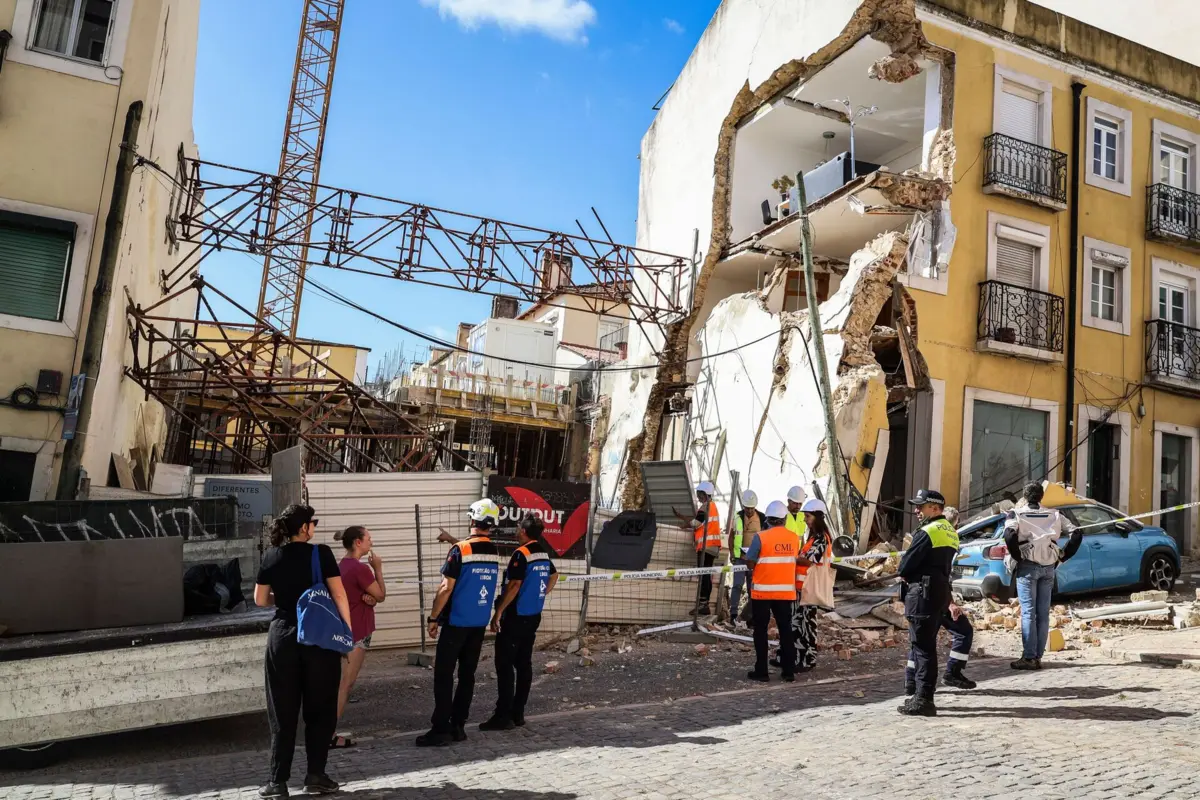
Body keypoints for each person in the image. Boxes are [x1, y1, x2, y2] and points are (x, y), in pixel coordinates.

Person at [254, 504, 351, 798]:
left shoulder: (271, 555)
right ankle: (316, 775)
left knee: (282, 712)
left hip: (282, 635)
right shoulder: (320, 554)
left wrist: (287, 597)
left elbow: (260, 600)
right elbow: (338, 594)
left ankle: (277, 782)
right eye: (313, 523)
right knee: (320, 709)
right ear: (304, 528)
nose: (315, 527)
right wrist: (346, 634)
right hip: (319, 639)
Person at [417, 499, 503, 747]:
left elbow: (446, 587)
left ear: (473, 520)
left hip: (456, 622)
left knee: (444, 675)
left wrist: (433, 618)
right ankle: (458, 726)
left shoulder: (461, 550)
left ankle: (440, 728)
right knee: (467, 675)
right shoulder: (493, 550)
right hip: (478, 623)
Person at [480, 515, 559, 731]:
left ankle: (503, 716)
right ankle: (518, 713)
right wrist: (539, 594)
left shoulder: (521, 554)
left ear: (523, 531)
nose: (515, 531)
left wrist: (498, 613)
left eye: (517, 528)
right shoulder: (542, 553)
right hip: (533, 615)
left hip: (516, 616)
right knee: (524, 664)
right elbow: (554, 576)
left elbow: (514, 585)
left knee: (505, 665)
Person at [1004, 482, 1083, 670]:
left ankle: (1029, 656)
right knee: (1042, 613)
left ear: (1024, 495)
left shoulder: (1016, 513)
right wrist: (1063, 556)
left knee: (1029, 612)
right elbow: (1077, 533)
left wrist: (1017, 556)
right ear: (1041, 497)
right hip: (1049, 566)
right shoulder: (1055, 514)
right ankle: (1037, 656)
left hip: (1028, 566)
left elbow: (1008, 535)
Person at [902, 505, 977, 694]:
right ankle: (947, 675)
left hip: (929, 595)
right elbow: (942, 574)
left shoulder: (933, 534)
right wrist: (951, 603)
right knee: (929, 641)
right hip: (936, 597)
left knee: (920, 641)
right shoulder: (946, 537)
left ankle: (913, 683)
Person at [896, 489, 958, 717]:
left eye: (920, 507)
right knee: (927, 646)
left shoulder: (928, 531)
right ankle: (922, 694)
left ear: (934, 508)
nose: (916, 511)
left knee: (922, 648)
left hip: (922, 593)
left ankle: (924, 698)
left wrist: (904, 572)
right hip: (939, 592)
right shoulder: (950, 530)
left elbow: (905, 566)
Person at [331, 525, 387, 749]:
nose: (371, 542)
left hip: (343, 629)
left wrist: (368, 598)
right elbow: (381, 595)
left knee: (339, 682)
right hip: (357, 631)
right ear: (357, 542)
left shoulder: (341, 566)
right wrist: (378, 569)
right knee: (345, 684)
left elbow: (364, 596)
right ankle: (328, 733)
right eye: (368, 539)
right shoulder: (360, 569)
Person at [743, 500, 798, 683]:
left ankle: (762, 671)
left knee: (760, 631)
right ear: (783, 519)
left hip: (762, 593)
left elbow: (750, 562)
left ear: (768, 519)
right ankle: (789, 671)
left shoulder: (761, 537)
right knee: (786, 630)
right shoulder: (793, 538)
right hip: (785, 593)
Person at [777, 497, 833, 673]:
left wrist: (791, 558)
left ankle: (808, 659)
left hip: (809, 589)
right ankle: (792, 657)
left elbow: (809, 561)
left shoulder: (821, 538)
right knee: (797, 624)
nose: (805, 520)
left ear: (817, 517)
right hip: (802, 588)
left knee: (806, 625)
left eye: (808, 517)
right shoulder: (813, 538)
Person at [673, 481, 723, 615]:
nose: (698, 497)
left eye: (700, 494)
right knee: (707, 574)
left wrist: (683, 525)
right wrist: (682, 517)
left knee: (704, 575)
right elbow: (700, 522)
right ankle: (704, 604)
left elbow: (696, 523)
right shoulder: (713, 507)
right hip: (712, 547)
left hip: (706, 547)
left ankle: (702, 605)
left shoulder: (705, 507)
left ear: (706, 495)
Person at [729, 489, 766, 625]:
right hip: (740, 557)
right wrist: (732, 553)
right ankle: (733, 614)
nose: (749, 511)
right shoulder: (738, 517)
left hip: (754, 559)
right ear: (743, 506)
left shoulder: (762, 518)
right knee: (737, 585)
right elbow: (732, 535)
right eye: (747, 508)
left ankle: (751, 616)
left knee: (753, 588)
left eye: (751, 508)